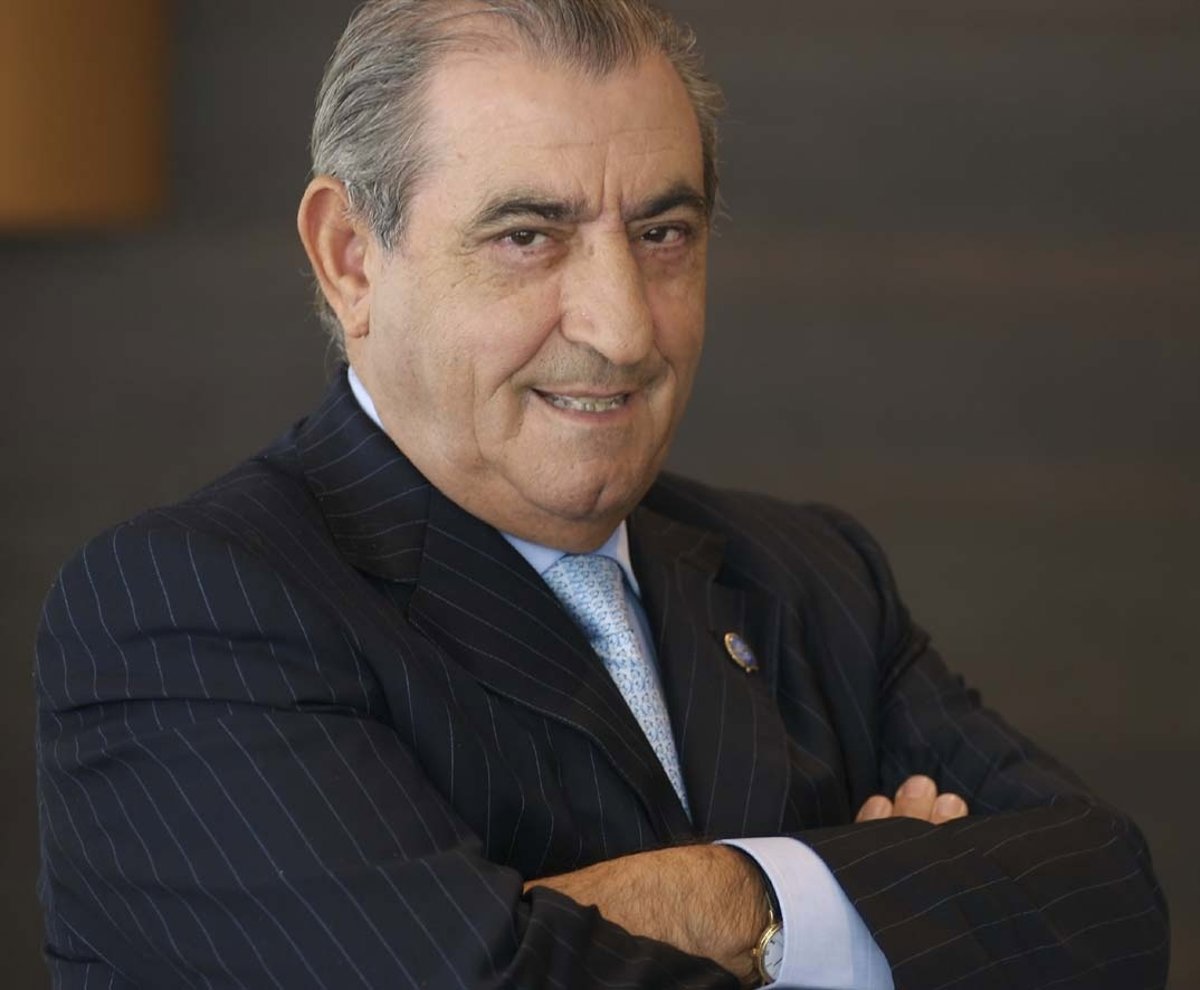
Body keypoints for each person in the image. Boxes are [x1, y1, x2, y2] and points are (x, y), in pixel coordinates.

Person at [35, 1, 1168, 988]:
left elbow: (1109, 905)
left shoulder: (812, 578)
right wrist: (876, 909)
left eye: (663, 233)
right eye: (528, 236)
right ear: (351, 257)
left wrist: (740, 899)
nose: (623, 328)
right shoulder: (185, 611)